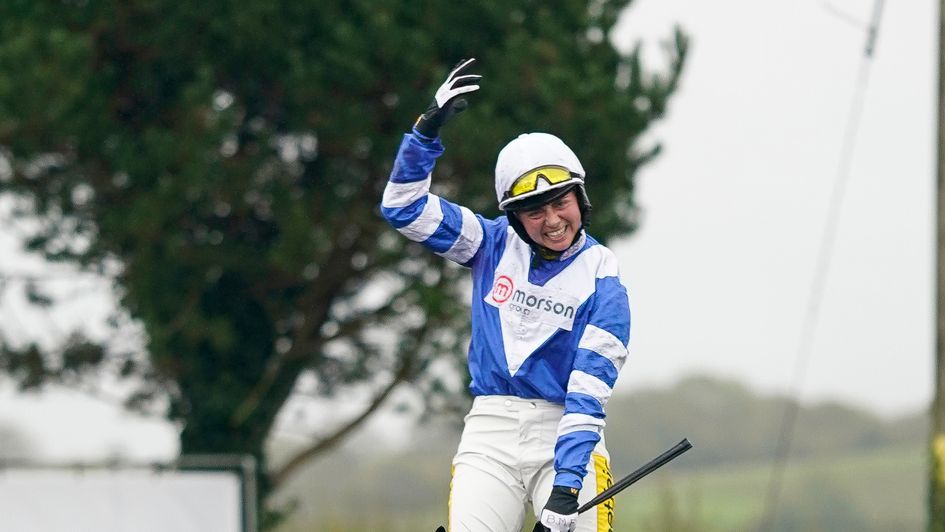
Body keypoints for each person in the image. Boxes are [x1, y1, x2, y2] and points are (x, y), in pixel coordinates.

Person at [381, 58, 631, 532]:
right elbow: (401, 208)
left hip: (566, 435)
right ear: (515, 217)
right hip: (489, 431)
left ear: (580, 199)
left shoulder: (605, 276)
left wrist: (567, 486)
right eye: (535, 211)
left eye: (561, 203)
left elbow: (588, 390)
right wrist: (425, 134)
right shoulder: (488, 241)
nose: (553, 220)